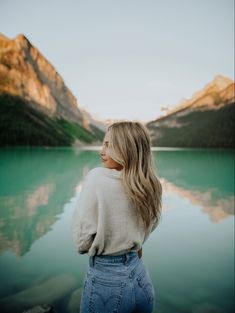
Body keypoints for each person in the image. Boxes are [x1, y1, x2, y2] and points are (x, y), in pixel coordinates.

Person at [72, 121, 162, 313]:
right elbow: (151, 224)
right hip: (140, 278)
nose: (101, 151)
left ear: (126, 148)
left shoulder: (97, 178)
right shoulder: (150, 184)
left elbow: (81, 242)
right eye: (103, 143)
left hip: (106, 282)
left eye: (108, 144)